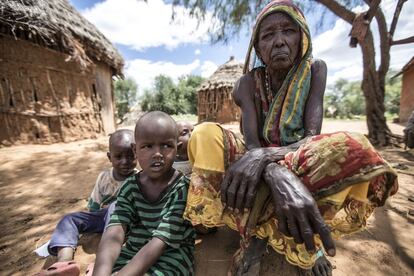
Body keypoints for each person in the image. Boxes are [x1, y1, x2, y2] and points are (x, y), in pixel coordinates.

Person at [183, 1, 398, 275]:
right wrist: (272, 170)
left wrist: (268, 159)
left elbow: (311, 138)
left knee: (354, 147)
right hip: (255, 161)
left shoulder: (315, 71)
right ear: (258, 48)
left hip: (298, 158)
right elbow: (251, 144)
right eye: (268, 35)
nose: (280, 42)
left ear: (302, 37)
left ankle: (309, 241)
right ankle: (256, 237)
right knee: (204, 133)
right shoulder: (247, 83)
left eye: (288, 31)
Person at [92, 111, 195, 276]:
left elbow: (160, 242)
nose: (157, 154)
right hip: (134, 251)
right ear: (135, 150)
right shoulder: (130, 187)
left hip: (172, 254)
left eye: (166, 145)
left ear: (178, 148)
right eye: (147, 146)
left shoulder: (182, 189)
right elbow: (115, 230)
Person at [34, 129, 137, 275]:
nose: (125, 162)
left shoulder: (140, 179)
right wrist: (95, 218)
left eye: (130, 156)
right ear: (109, 157)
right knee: (68, 219)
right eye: (118, 156)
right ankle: (64, 263)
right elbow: (94, 205)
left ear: (137, 155)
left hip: (126, 222)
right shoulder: (104, 177)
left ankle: (102, 263)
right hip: (103, 217)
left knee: (116, 206)